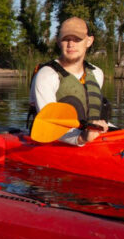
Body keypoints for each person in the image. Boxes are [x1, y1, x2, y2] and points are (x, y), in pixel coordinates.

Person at [27, 16, 110, 145]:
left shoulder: (96, 73)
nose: (71, 44)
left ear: (89, 41)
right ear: (58, 41)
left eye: (77, 39)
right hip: (57, 144)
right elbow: (50, 125)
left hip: (92, 140)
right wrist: (81, 138)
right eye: (66, 39)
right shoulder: (46, 76)